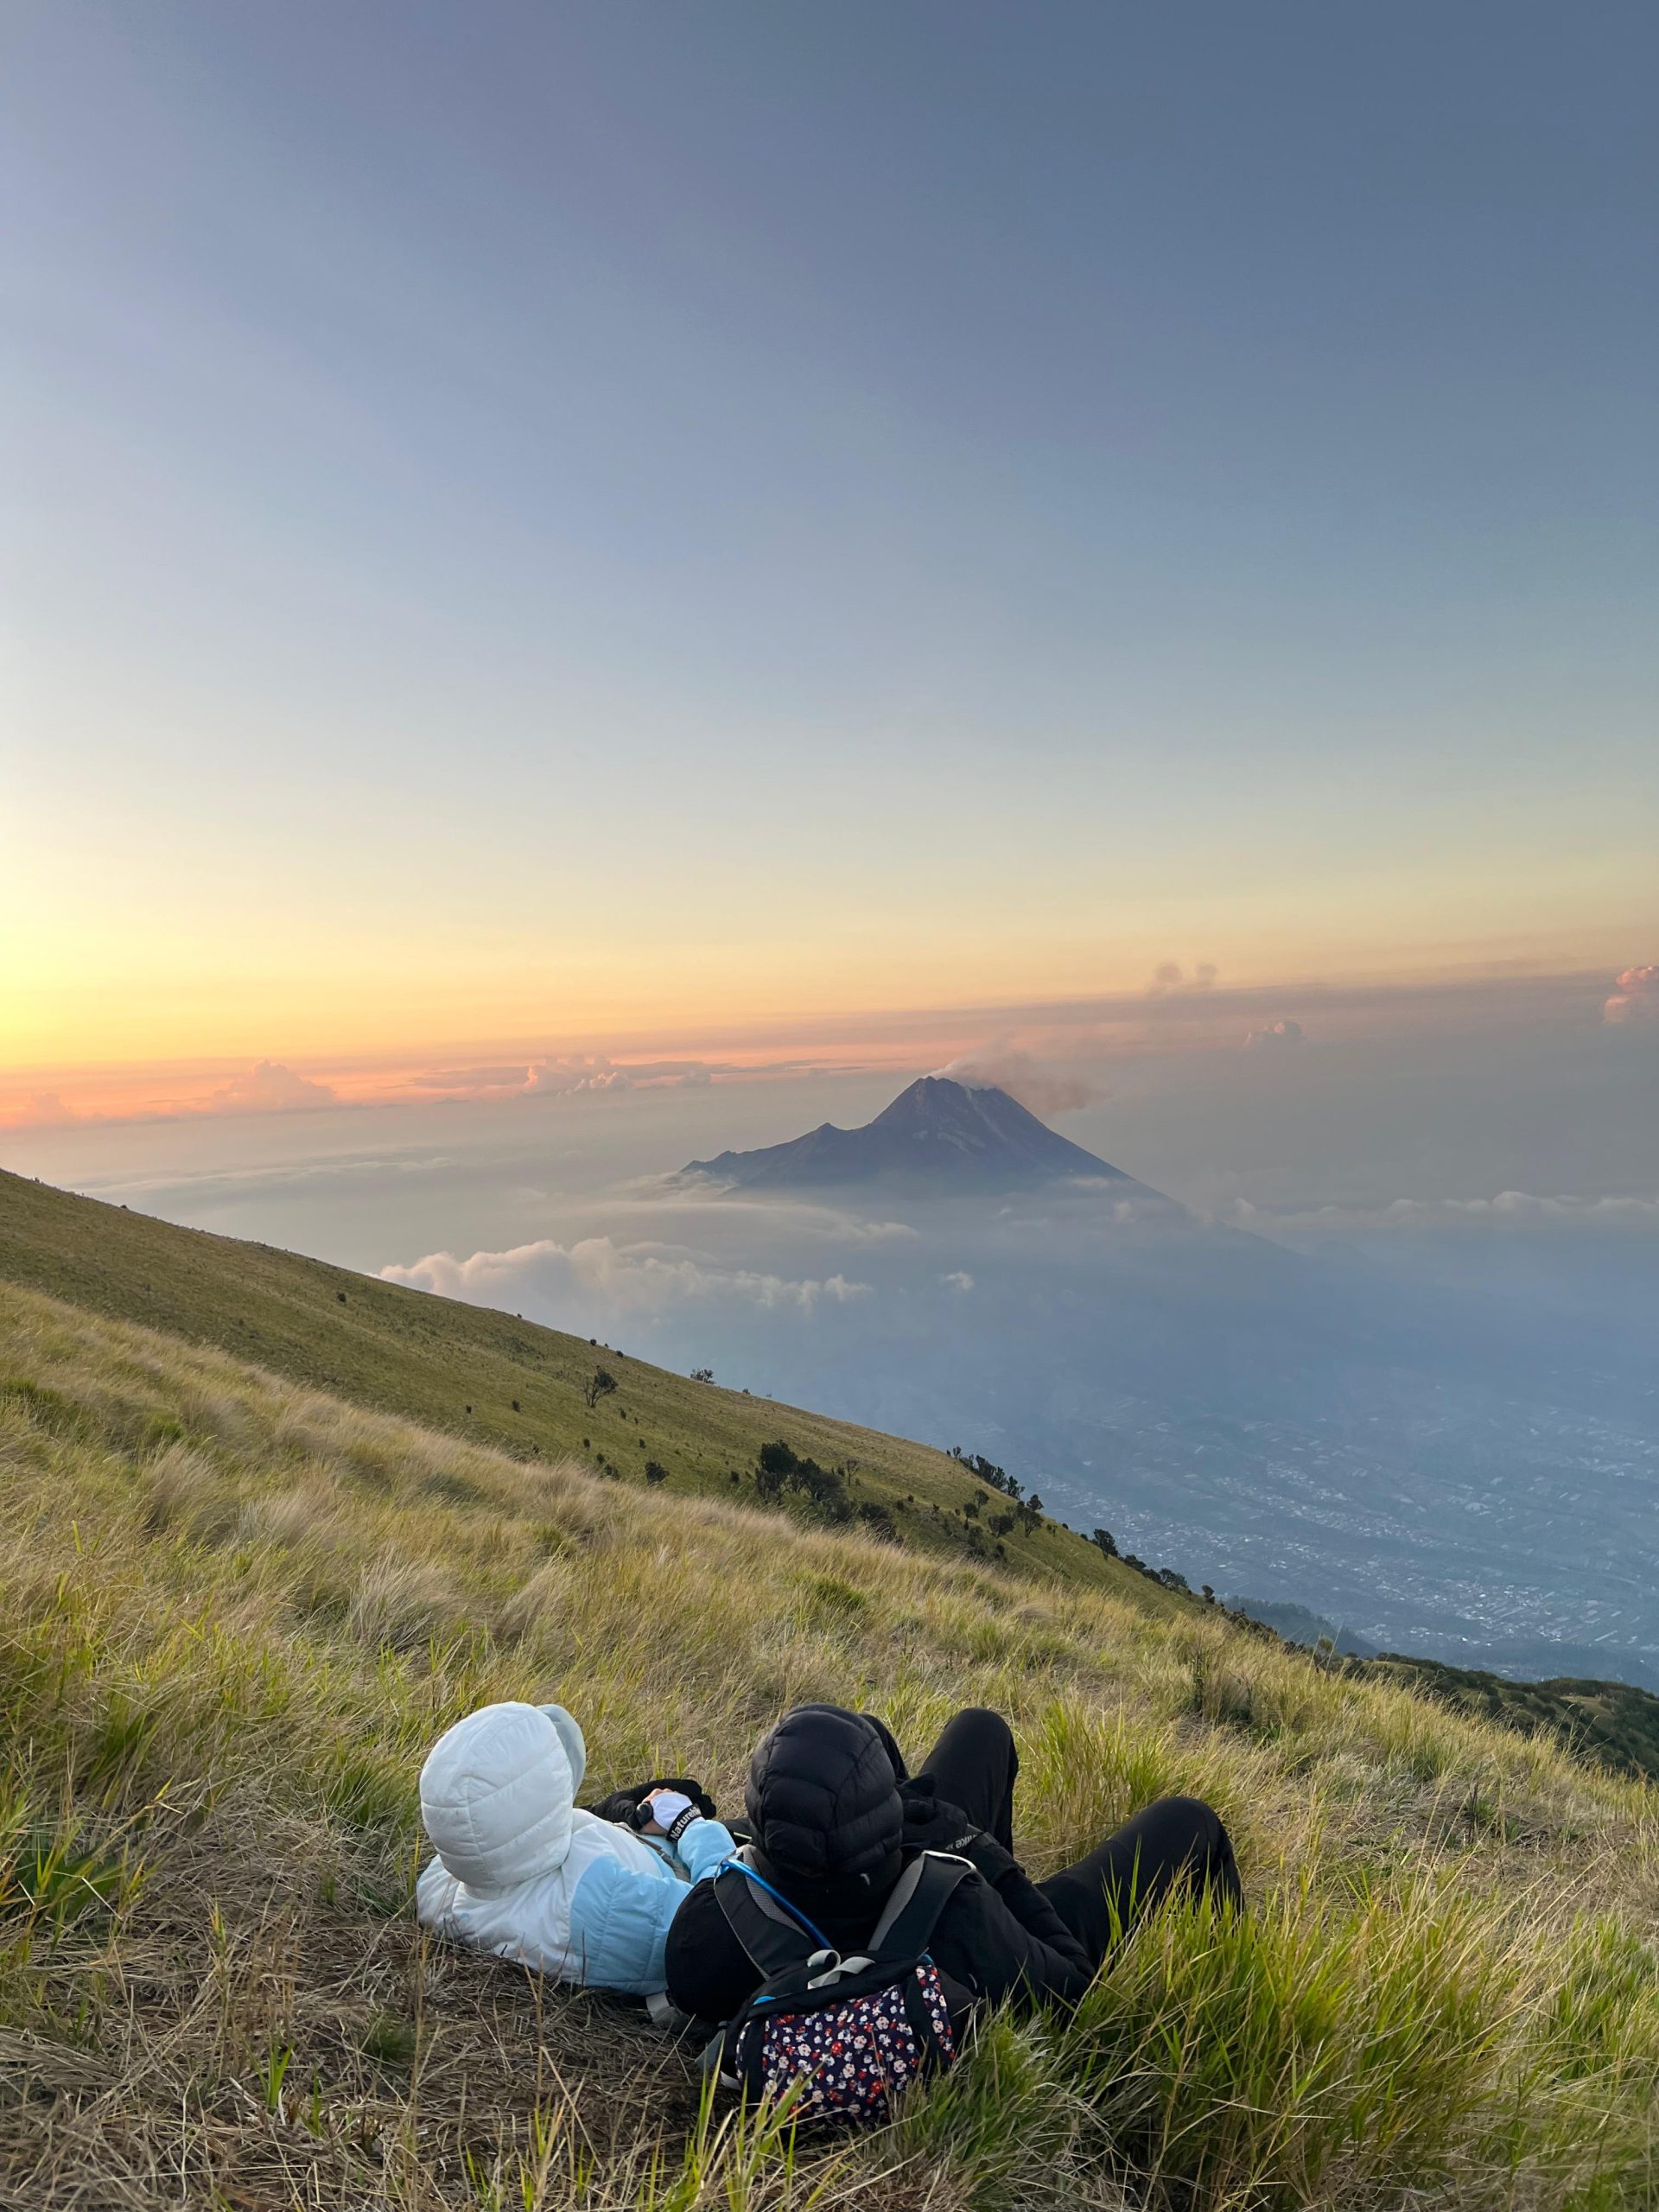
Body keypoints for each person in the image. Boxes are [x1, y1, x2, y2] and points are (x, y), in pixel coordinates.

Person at [664, 1705, 1240, 2027]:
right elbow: (1070, 1983)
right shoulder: (963, 1911)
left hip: (849, 1894)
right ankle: (1236, 1988)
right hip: (966, 1927)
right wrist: (976, 1852)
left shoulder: (709, 1925)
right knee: (1190, 1821)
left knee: (980, 1729)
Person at [416, 1700, 734, 1997]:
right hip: (694, 1867)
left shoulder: (441, 1889)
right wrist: (688, 1824)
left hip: (644, 1844)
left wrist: (624, 1818)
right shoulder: (596, 1898)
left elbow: (504, 1828)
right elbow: (728, 1915)